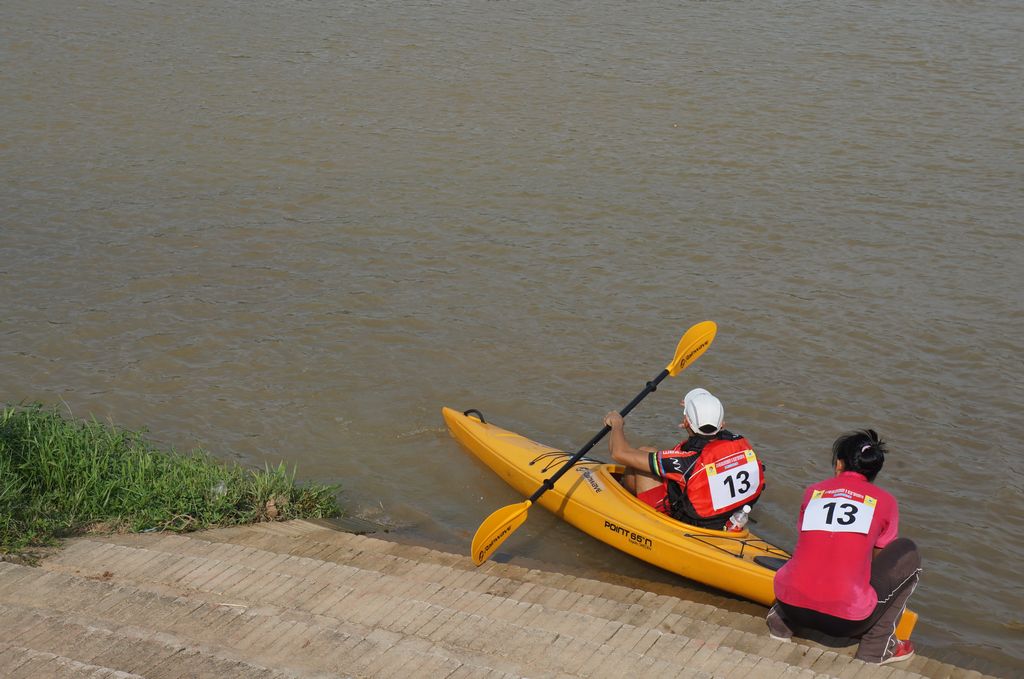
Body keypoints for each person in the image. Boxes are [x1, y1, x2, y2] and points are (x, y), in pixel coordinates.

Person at [766, 429, 922, 665]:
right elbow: (878, 558)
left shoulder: (813, 492)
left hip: (791, 606)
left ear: (839, 464)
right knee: (908, 552)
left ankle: (779, 622)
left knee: (812, 552)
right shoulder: (885, 501)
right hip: (847, 622)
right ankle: (877, 647)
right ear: (874, 470)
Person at [603, 387, 765, 530]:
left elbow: (619, 453)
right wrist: (692, 422)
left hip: (689, 524)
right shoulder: (738, 443)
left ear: (686, 422)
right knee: (648, 453)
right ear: (722, 424)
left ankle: (625, 506)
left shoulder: (686, 461)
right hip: (728, 519)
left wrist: (617, 424)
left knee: (643, 454)